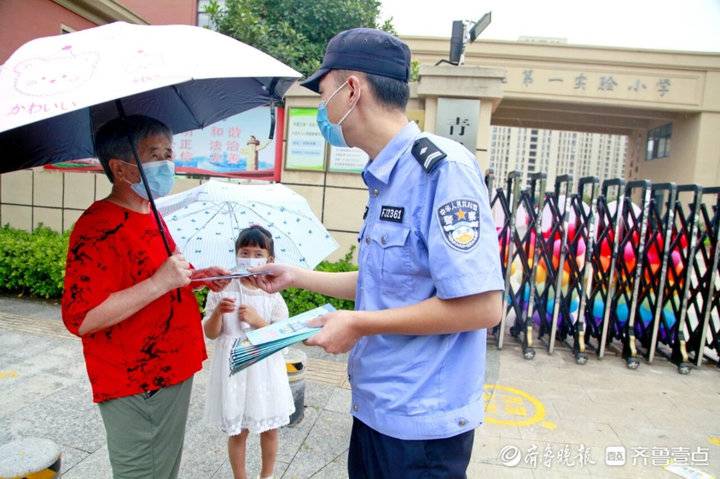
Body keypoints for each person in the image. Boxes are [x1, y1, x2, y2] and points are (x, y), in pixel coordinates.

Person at [250, 28, 504, 478]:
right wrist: (296, 275)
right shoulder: (387, 175)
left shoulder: (441, 170)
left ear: (351, 90)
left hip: (421, 428)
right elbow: (386, 281)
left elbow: (482, 306)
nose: (321, 109)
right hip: (377, 408)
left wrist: (359, 323)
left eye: (323, 93)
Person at [61, 114, 231, 479]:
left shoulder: (150, 211)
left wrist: (196, 279)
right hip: (138, 380)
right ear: (121, 169)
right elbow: (82, 317)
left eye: (169, 152)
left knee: (164, 467)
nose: (167, 163)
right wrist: (159, 283)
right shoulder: (97, 227)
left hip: (174, 367)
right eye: (155, 155)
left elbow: (157, 278)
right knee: (141, 471)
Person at [203, 225, 294, 479]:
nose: (250, 259)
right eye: (245, 252)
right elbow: (210, 333)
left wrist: (257, 321)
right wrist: (219, 313)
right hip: (235, 367)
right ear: (235, 254)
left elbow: (283, 335)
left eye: (258, 254)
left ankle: (267, 476)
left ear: (270, 260)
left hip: (264, 367)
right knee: (238, 430)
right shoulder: (223, 289)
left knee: (270, 428)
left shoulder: (272, 294)